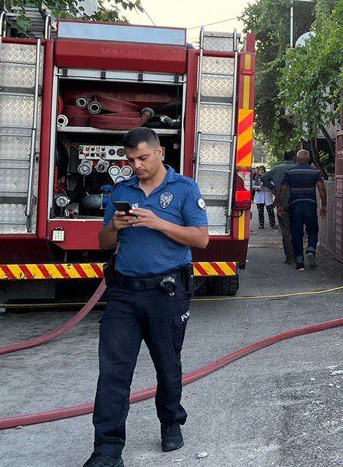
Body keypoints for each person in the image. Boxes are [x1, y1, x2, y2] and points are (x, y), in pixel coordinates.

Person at [85, 128, 210, 467]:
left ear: (159, 153)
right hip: (124, 293)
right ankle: (107, 450)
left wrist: (158, 223)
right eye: (130, 159)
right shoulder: (121, 190)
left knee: (167, 365)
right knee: (112, 371)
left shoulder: (184, 189)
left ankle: (171, 421)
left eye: (142, 157)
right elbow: (103, 242)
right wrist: (115, 227)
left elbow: (200, 239)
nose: (136, 165)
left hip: (166, 292)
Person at [277, 149, 326, 271]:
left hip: (295, 205)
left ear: (297, 159)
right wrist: (324, 204)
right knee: (313, 229)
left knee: (296, 233)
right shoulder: (315, 171)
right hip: (310, 205)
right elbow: (321, 188)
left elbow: (283, 188)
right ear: (308, 159)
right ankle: (310, 249)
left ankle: (299, 262)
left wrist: (280, 205)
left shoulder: (290, 171)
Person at [261, 150, 297, 263]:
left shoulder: (277, 168)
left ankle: (289, 257)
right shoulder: (298, 168)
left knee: (285, 230)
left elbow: (263, 178)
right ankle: (297, 256)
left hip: (282, 204)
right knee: (296, 229)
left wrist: (272, 188)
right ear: (294, 157)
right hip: (297, 203)